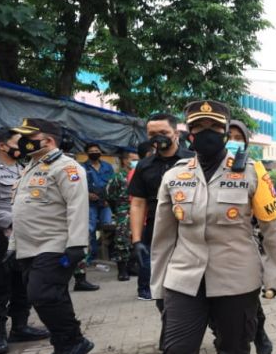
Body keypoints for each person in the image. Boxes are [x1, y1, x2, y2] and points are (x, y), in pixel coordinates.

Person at [111, 100, 276, 354]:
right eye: (199, 126)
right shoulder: (175, 177)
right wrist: (157, 285)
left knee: (235, 348)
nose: (206, 133)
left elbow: (271, 226)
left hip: (236, 278)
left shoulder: (251, 171)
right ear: (189, 133)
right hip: (184, 279)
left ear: (225, 132)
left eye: (214, 127)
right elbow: (163, 236)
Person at [9, 118, 94, 354]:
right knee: (53, 296)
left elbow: (78, 207)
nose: (21, 142)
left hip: (54, 244)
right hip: (28, 247)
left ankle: (76, 341)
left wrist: (78, 244)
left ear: (48, 140)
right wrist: (13, 246)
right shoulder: (30, 168)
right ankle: (63, 346)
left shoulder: (67, 168)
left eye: (28, 136)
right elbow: (19, 210)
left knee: (42, 295)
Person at [204, 120, 275, 354]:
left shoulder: (255, 169)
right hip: (206, 257)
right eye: (229, 136)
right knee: (214, 314)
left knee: (247, 307)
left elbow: (269, 215)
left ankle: (259, 333)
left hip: (240, 251)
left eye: (238, 137)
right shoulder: (202, 170)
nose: (233, 140)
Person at [0, 128, 51, 354]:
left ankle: (20, 327)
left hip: (25, 239)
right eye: (19, 142)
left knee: (23, 286)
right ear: (2, 145)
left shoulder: (26, 170)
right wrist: (10, 219)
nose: (24, 146)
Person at [128, 113, 194, 301]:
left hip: (190, 230)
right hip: (157, 231)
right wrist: (137, 240)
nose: (158, 137)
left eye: (163, 132)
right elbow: (138, 203)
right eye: (152, 134)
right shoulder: (144, 166)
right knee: (163, 293)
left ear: (176, 133)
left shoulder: (194, 161)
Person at [106, 148, 139, 281]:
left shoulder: (139, 175)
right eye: (133, 159)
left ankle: (132, 266)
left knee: (137, 239)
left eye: (138, 159)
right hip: (123, 210)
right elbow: (110, 195)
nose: (136, 162)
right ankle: (122, 270)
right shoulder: (118, 177)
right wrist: (119, 209)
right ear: (125, 161)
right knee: (122, 239)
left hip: (139, 210)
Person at [83, 142, 115, 262]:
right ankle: (92, 255)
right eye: (91, 152)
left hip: (105, 203)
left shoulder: (107, 166)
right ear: (87, 153)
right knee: (90, 229)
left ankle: (107, 253)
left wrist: (109, 199)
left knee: (108, 227)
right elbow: (78, 185)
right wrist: (87, 195)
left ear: (100, 152)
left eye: (96, 151)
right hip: (90, 203)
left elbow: (113, 184)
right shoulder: (83, 167)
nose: (94, 153)